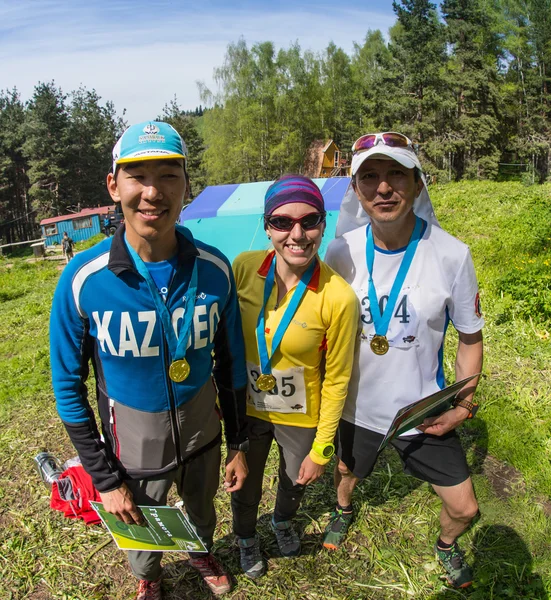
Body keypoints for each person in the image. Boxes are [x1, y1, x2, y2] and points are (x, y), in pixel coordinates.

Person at [49, 121, 249, 600]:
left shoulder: (215, 269)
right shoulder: (84, 279)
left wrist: (238, 442)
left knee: (202, 508)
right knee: (139, 525)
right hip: (133, 449)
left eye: (168, 175)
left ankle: (201, 550)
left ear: (186, 185)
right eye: (137, 175)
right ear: (114, 185)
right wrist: (103, 477)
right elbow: (67, 386)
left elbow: (232, 366)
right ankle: (150, 576)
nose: (152, 192)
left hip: (202, 431)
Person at [323, 132, 484, 589]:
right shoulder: (340, 253)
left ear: (417, 183)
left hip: (421, 411)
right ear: (356, 190)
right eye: (369, 176)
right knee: (347, 469)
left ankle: (446, 546)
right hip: (356, 406)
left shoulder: (452, 255)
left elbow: (470, 337)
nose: (383, 188)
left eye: (396, 173)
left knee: (465, 508)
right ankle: (343, 509)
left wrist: (465, 404)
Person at [230, 174, 359, 578]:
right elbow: (225, 342)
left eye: (310, 221)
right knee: (245, 484)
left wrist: (322, 447)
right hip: (249, 408)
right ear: (267, 226)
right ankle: (245, 536)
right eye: (283, 222)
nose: (297, 234)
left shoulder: (338, 297)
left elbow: (338, 378)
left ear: (324, 224)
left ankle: (282, 520)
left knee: (294, 479)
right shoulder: (243, 268)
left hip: (301, 413)